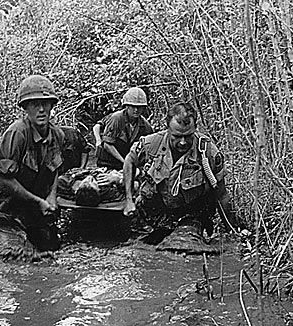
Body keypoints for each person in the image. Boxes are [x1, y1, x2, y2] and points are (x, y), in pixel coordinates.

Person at [122, 101, 238, 247]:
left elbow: (221, 195)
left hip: (189, 215)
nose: (183, 142)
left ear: (195, 128)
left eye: (188, 136)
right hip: (152, 212)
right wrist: (129, 200)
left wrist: (233, 231)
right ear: (168, 129)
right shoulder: (152, 144)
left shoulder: (208, 153)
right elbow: (129, 161)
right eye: (177, 136)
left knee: (182, 247)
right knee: (136, 246)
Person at [0, 75, 65, 259]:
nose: (41, 110)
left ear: (52, 106)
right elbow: (2, 181)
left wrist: (51, 198)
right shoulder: (17, 133)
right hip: (7, 214)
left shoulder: (57, 135)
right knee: (13, 256)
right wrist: (38, 201)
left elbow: (55, 170)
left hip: (35, 213)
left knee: (50, 250)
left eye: (45, 104)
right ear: (25, 108)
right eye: (34, 104)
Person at [96, 87, 153, 170]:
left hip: (126, 163)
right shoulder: (117, 119)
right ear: (126, 106)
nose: (136, 110)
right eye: (133, 106)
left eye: (139, 107)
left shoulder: (145, 125)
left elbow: (150, 147)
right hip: (108, 163)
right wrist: (125, 162)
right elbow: (107, 145)